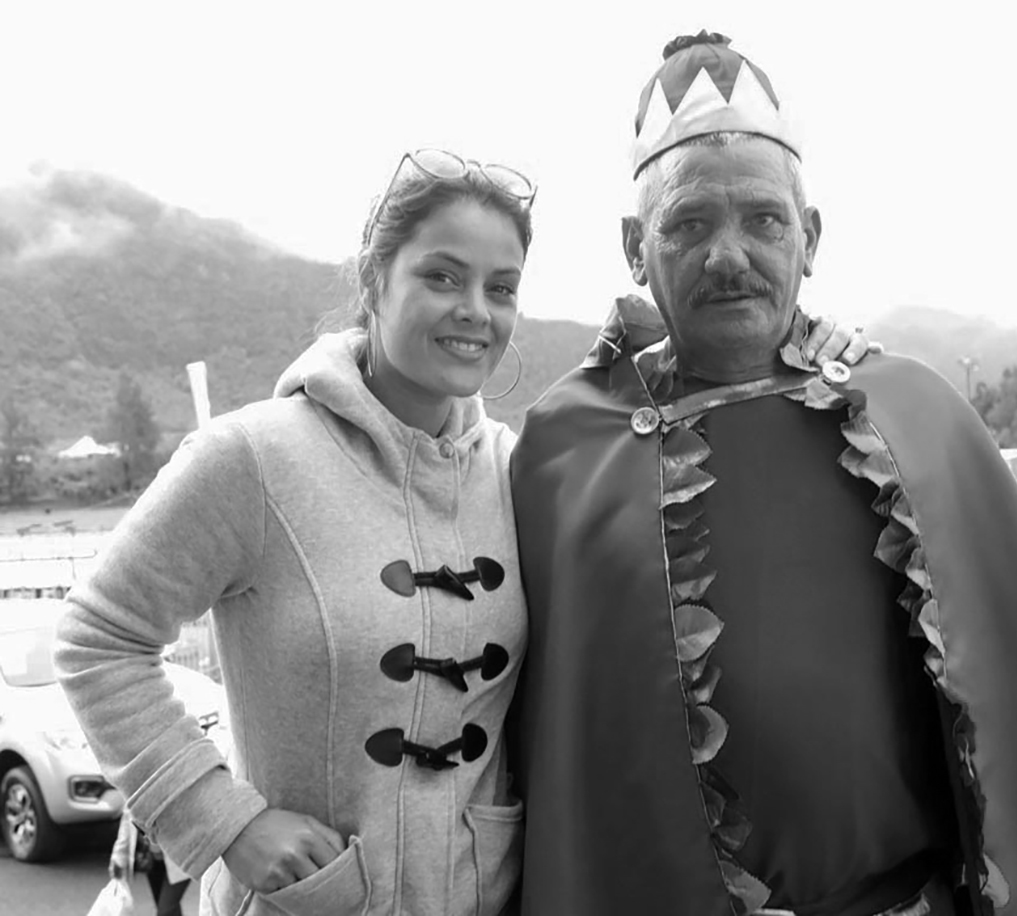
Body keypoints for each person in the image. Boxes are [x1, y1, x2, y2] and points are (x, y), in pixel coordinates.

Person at [55, 147, 869, 916]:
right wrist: (222, 820)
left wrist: (805, 348)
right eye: (442, 276)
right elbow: (97, 639)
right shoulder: (252, 458)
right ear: (375, 281)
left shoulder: (517, 470)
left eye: (501, 286)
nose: (475, 312)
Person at [507, 31, 1017, 916]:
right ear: (636, 247)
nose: (729, 256)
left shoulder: (914, 416)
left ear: (810, 236)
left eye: (763, 220)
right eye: (688, 224)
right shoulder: (564, 451)